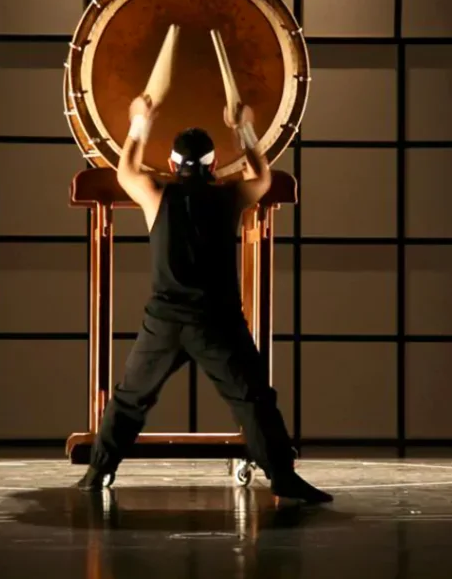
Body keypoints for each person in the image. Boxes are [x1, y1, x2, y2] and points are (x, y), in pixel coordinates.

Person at [75, 95, 333, 504]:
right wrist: (243, 128)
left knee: (129, 398)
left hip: (164, 320)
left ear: (174, 165)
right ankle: (282, 476)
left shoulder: (156, 194)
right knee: (253, 399)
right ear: (214, 166)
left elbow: (125, 169)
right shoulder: (230, 197)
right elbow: (262, 177)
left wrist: (141, 121)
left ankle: (98, 472)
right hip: (217, 321)